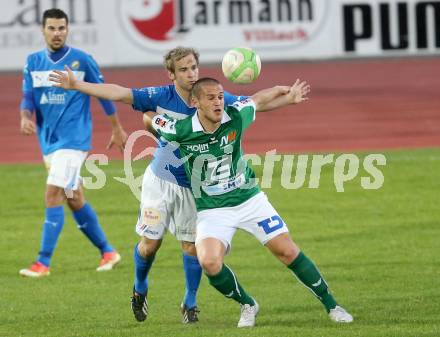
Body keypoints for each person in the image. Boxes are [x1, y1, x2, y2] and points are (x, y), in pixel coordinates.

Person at [49, 47, 245, 323]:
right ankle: (140, 286)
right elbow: (118, 92)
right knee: (149, 244)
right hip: (160, 182)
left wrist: (286, 96)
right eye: (184, 69)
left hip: (194, 187)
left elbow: (255, 103)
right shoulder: (160, 96)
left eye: (194, 67)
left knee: (191, 247)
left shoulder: (212, 96)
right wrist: (78, 84)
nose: (191, 74)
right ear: (171, 74)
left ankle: (190, 302)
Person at [144, 77, 354, 328]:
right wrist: (151, 124)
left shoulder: (235, 116)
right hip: (213, 209)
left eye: (220, 96)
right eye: (210, 98)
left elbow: (257, 99)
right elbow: (149, 117)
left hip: (249, 199)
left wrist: (282, 92)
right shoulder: (181, 130)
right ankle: (247, 304)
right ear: (195, 102)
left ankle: (333, 305)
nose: (218, 102)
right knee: (209, 262)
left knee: (286, 250)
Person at [19, 8, 127, 278]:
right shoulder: (33, 61)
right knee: (74, 197)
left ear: (67, 30)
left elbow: (103, 94)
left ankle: (42, 263)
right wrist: (24, 117)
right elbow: (28, 97)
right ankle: (108, 251)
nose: (57, 33)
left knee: (52, 194)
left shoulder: (81, 61)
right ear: (43, 30)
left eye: (62, 28)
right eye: (52, 28)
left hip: (73, 140)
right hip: (49, 143)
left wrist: (117, 127)